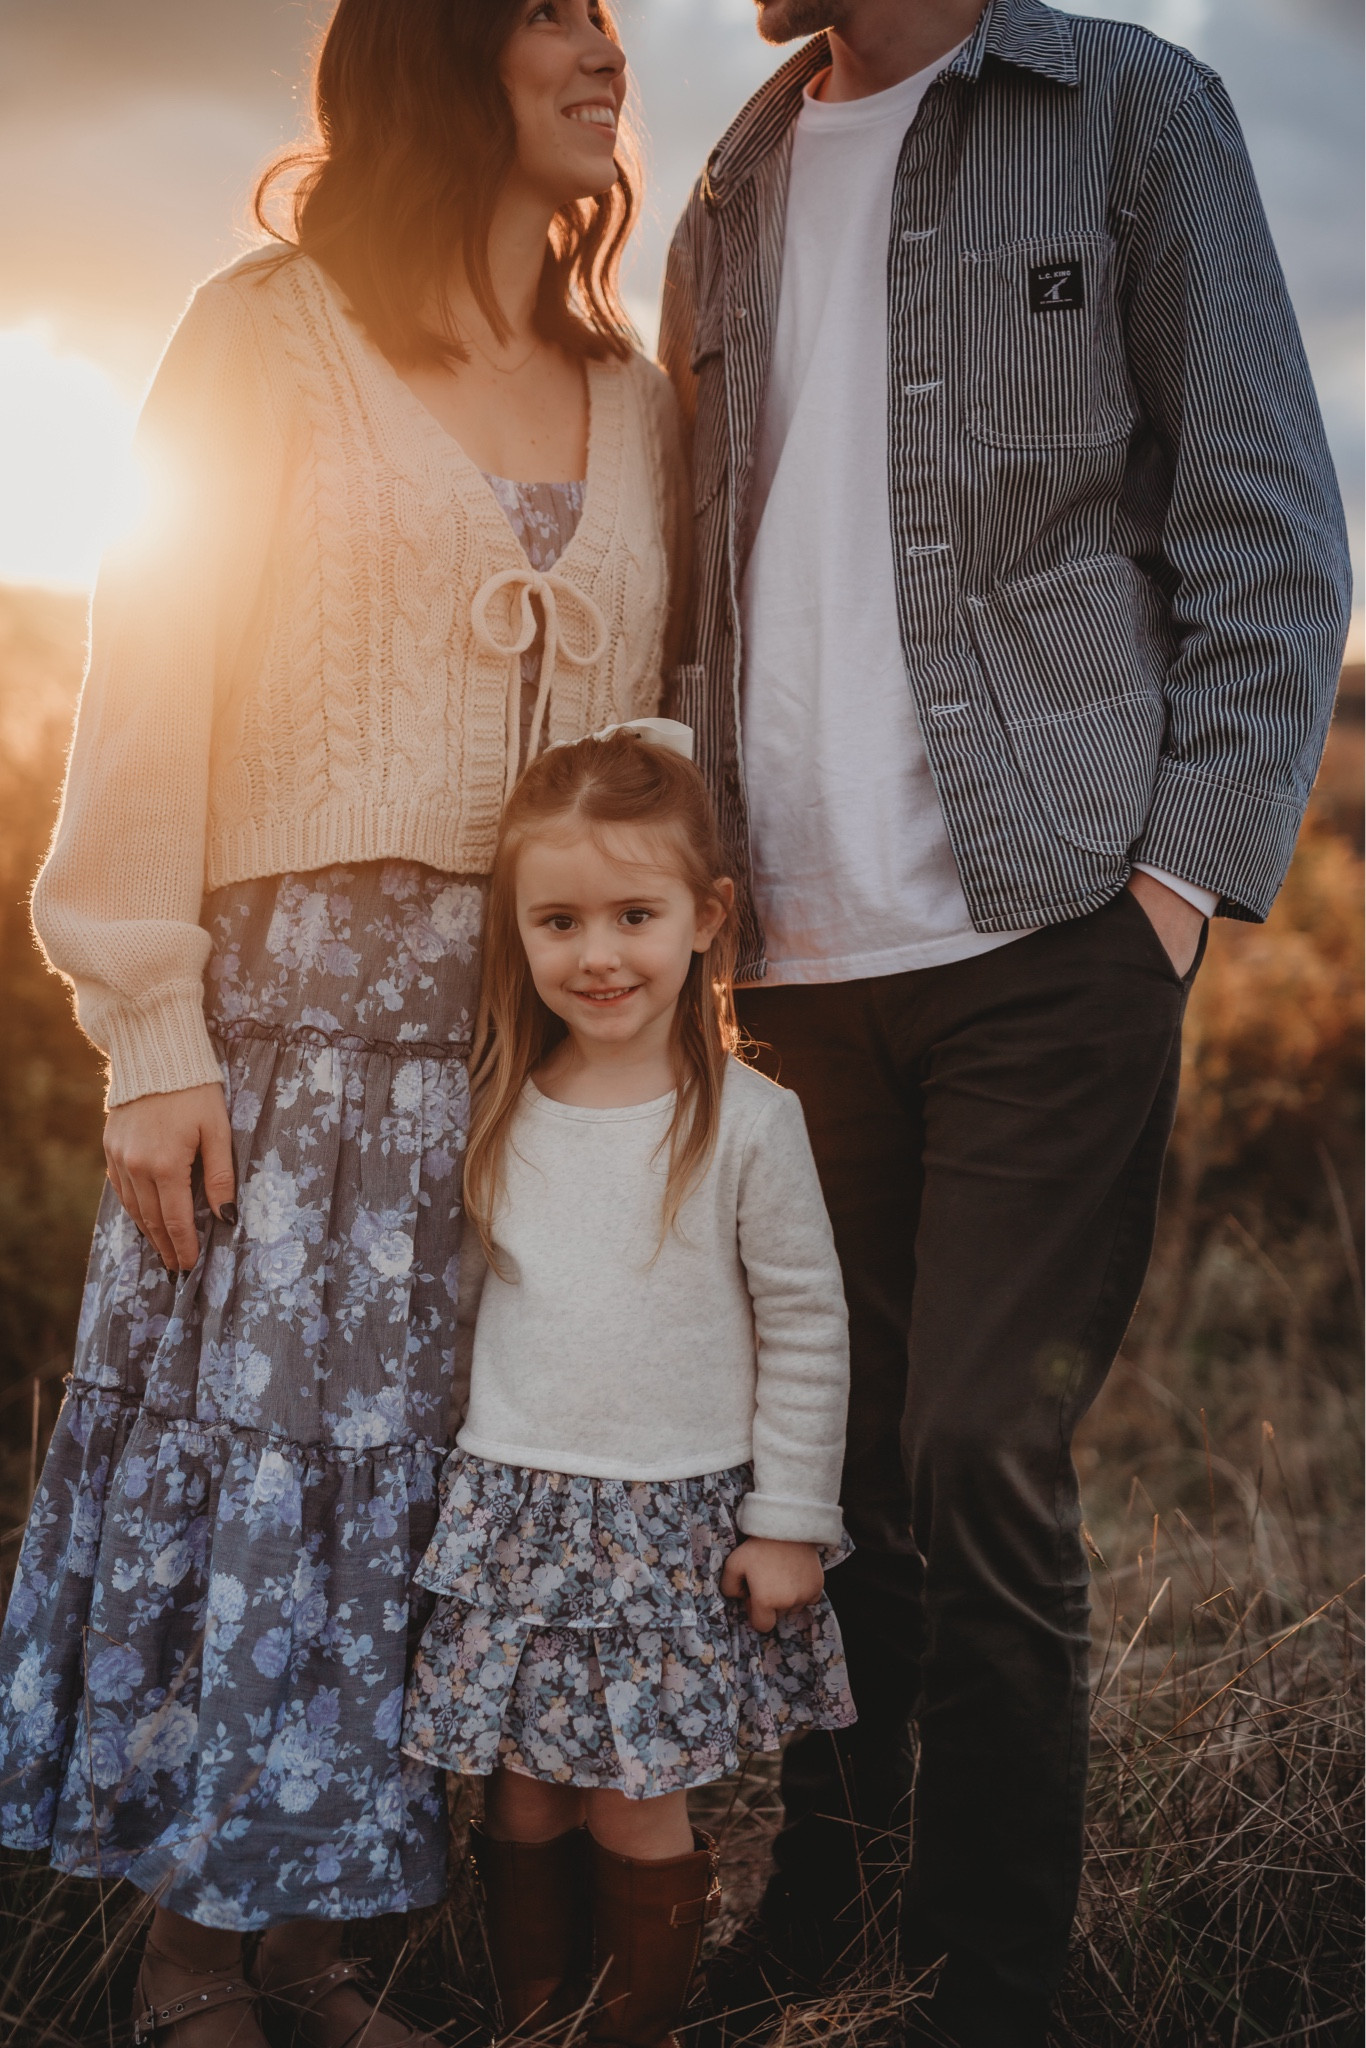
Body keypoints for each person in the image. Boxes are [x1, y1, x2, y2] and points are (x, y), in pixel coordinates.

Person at [659, 0, 1352, 2043]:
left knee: (975, 1437)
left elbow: (1265, 526)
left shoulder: (1133, 114)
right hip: (783, 964)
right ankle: (829, 1894)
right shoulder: (726, 181)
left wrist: (1168, 891)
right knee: (837, 1453)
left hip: (1050, 928)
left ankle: (992, 1972)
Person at [0, 4, 686, 2044]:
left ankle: (315, 1953)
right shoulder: (262, 332)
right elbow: (147, 690)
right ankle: (190, 1964)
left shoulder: (632, 398)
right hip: (285, 1056)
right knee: (263, 1505)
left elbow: (661, 754)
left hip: (524, 1082)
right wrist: (151, 1033)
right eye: (552, 11)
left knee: (431, 1527)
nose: (605, 47)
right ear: (436, 50)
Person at [398, 723, 854, 2047]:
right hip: (519, 1518)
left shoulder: (749, 1124)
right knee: (522, 1791)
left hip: (674, 1527)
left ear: (705, 918)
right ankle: (535, 2020)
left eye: (634, 915)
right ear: (518, 930)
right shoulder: (498, 1104)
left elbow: (808, 1325)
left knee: (635, 1796)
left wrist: (788, 1519)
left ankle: (630, 2028)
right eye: (558, 921)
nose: (597, 955)